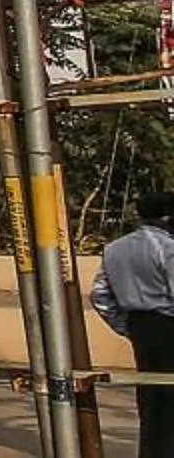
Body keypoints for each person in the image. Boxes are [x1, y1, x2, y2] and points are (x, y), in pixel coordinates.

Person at [95, 194, 174, 455]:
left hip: (140, 327)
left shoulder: (114, 248)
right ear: (167, 216)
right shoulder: (168, 248)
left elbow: (99, 295)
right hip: (168, 325)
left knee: (151, 397)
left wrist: (126, 326)